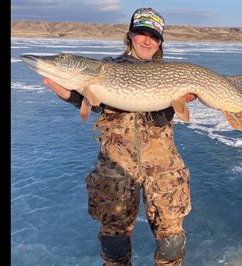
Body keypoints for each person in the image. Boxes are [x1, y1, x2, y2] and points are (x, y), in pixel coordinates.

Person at [44, 7, 197, 266]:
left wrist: (175, 102)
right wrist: (70, 95)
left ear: (160, 42)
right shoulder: (106, 68)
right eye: (141, 33)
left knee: (171, 244)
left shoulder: (170, 73)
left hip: (164, 171)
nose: (147, 41)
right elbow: (91, 103)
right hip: (115, 169)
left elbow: (161, 118)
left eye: (154, 36)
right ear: (130, 35)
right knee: (114, 244)